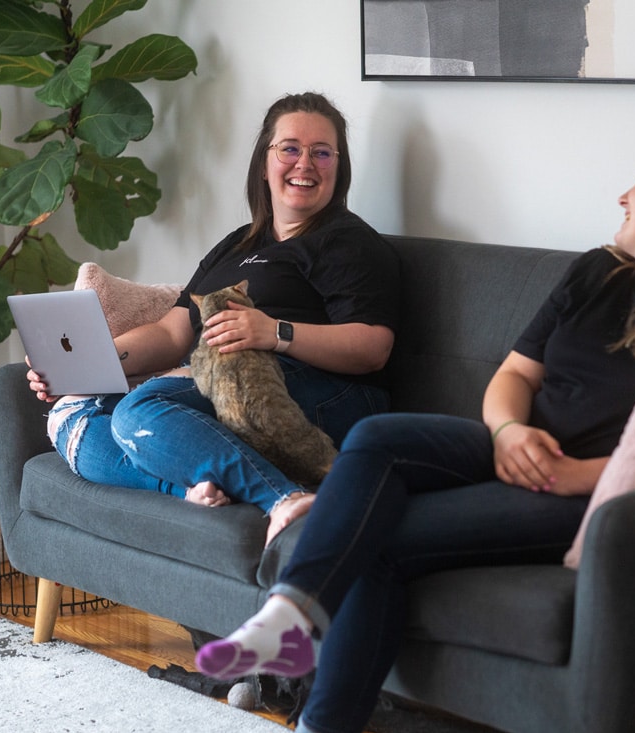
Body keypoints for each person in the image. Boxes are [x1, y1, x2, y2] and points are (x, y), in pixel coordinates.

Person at [196, 139, 635, 733]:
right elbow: (516, 373)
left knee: (378, 543)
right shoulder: (600, 272)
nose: (623, 195)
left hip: (584, 491)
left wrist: (578, 474)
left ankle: (321, 719)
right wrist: (508, 429)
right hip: (514, 446)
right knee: (377, 437)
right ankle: (291, 613)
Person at [26, 92, 399, 543]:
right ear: (264, 162)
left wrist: (273, 333)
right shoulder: (237, 245)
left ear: (339, 170)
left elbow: (373, 348)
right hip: (224, 384)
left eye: (322, 152)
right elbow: (171, 331)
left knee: (140, 409)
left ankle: (284, 498)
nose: (305, 164)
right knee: (71, 413)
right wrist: (88, 366)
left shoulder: (349, 243)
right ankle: (188, 491)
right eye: (290, 149)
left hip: (313, 394)